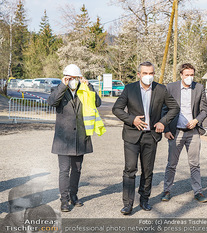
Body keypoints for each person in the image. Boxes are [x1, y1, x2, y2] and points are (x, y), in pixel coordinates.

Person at [112, 61, 179, 215]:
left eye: (151, 73)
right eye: (145, 73)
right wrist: (132, 119)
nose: (148, 76)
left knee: (147, 171)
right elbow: (116, 109)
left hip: (151, 136)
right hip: (131, 136)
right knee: (130, 169)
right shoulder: (130, 89)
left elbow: (174, 107)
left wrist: (163, 122)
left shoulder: (161, 89)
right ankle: (128, 204)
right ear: (139, 74)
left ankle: (144, 200)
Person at [47, 64, 101, 212]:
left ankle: (73, 195)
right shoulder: (58, 90)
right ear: (65, 77)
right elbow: (51, 102)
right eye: (70, 78)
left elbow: (97, 103)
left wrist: (89, 87)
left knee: (77, 169)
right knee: (64, 170)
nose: (73, 81)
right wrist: (62, 86)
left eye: (76, 78)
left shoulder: (83, 90)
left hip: (80, 137)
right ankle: (64, 200)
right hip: (63, 139)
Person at [161, 63, 207, 203]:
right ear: (181, 75)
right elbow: (164, 110)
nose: (189, 77)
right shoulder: (171, 88)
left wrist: (196, 120)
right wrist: (166, 129)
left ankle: (198, 191)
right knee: (171, 163)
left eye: (192, 75)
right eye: (187, 75)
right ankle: (167, 190)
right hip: (176, 132)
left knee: (195, 164)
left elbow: (205, 110)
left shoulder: (199, 88)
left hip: (193, 132)